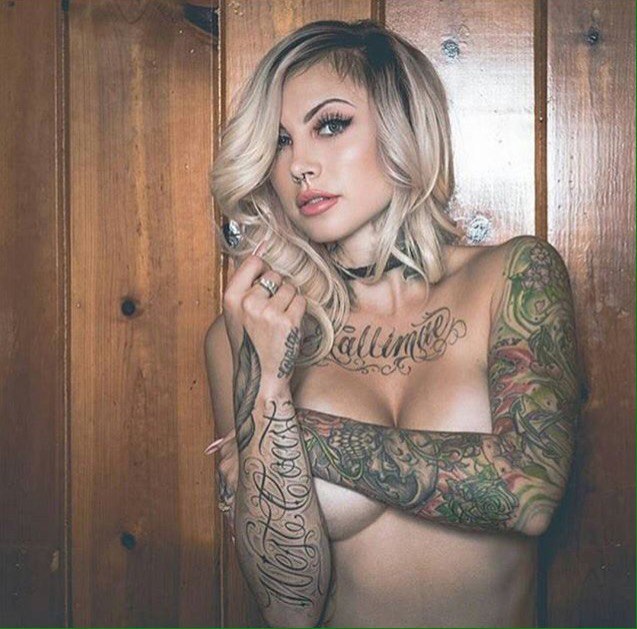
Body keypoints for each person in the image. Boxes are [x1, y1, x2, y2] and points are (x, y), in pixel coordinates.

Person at [203, 19, 583, 628]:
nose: (299, 164)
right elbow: (288, 610)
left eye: (330, 125)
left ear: (403, 125)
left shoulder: (512, 277)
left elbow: (528, 491)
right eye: (279, 142)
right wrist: (267, 385)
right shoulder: (247, 334)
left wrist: (289, 436)